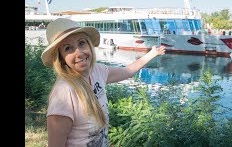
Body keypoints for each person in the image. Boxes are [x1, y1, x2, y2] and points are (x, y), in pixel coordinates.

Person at [41, 18, 166, 147]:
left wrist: (152, 53)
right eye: (68, 48)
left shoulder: (97, 71)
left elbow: (127, 71)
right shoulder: (63, 93)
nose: (79, 53)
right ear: (61, 58)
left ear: (89, 45)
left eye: (82, 43)